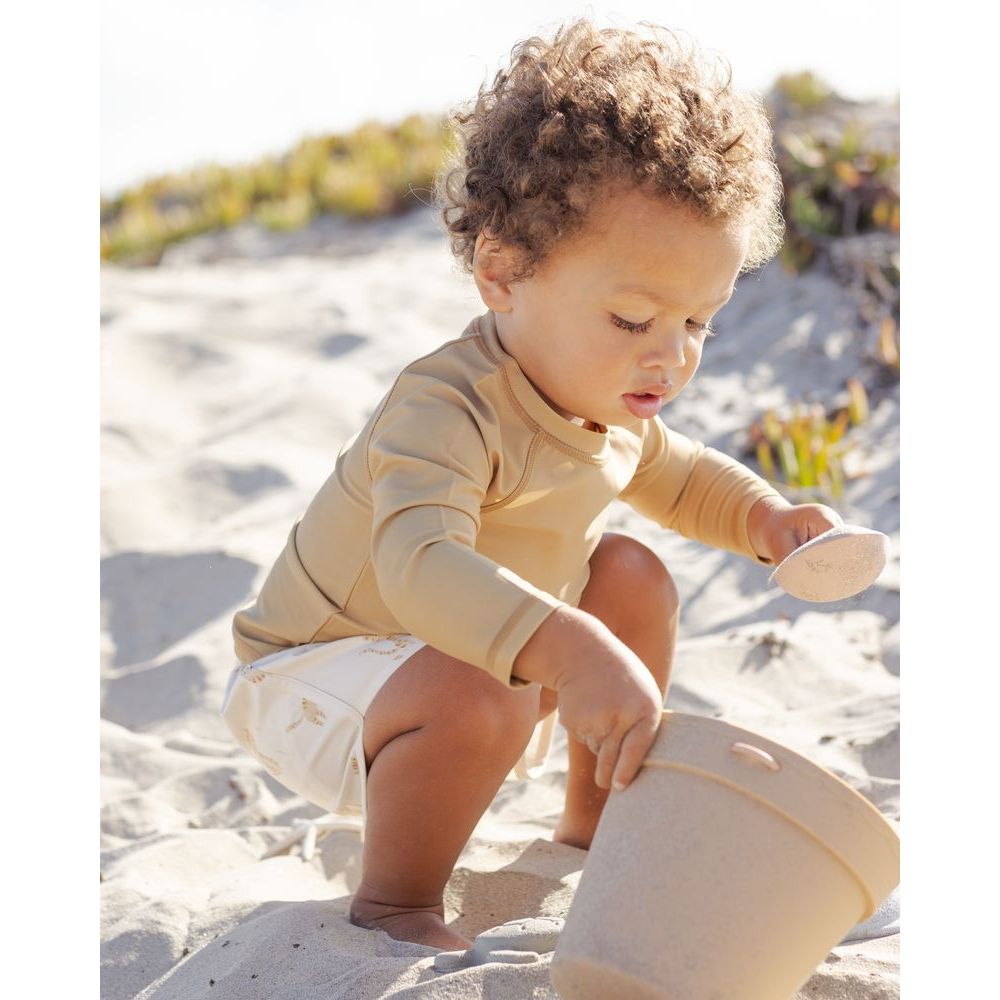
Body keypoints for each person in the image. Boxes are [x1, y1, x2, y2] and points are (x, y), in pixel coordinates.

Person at [220, 17, 843, 951]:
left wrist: (768, 519)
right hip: (316, 681)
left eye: (698, 323)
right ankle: (395, 903)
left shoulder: (606, 404)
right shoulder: (445, 406)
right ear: (503, 272)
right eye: (632, 318)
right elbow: (419, 567)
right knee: (486, 686)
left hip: (464, 668)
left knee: (631, 574)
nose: (671, 356)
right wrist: (567, 647)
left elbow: (681, 479)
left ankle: (594, 828)